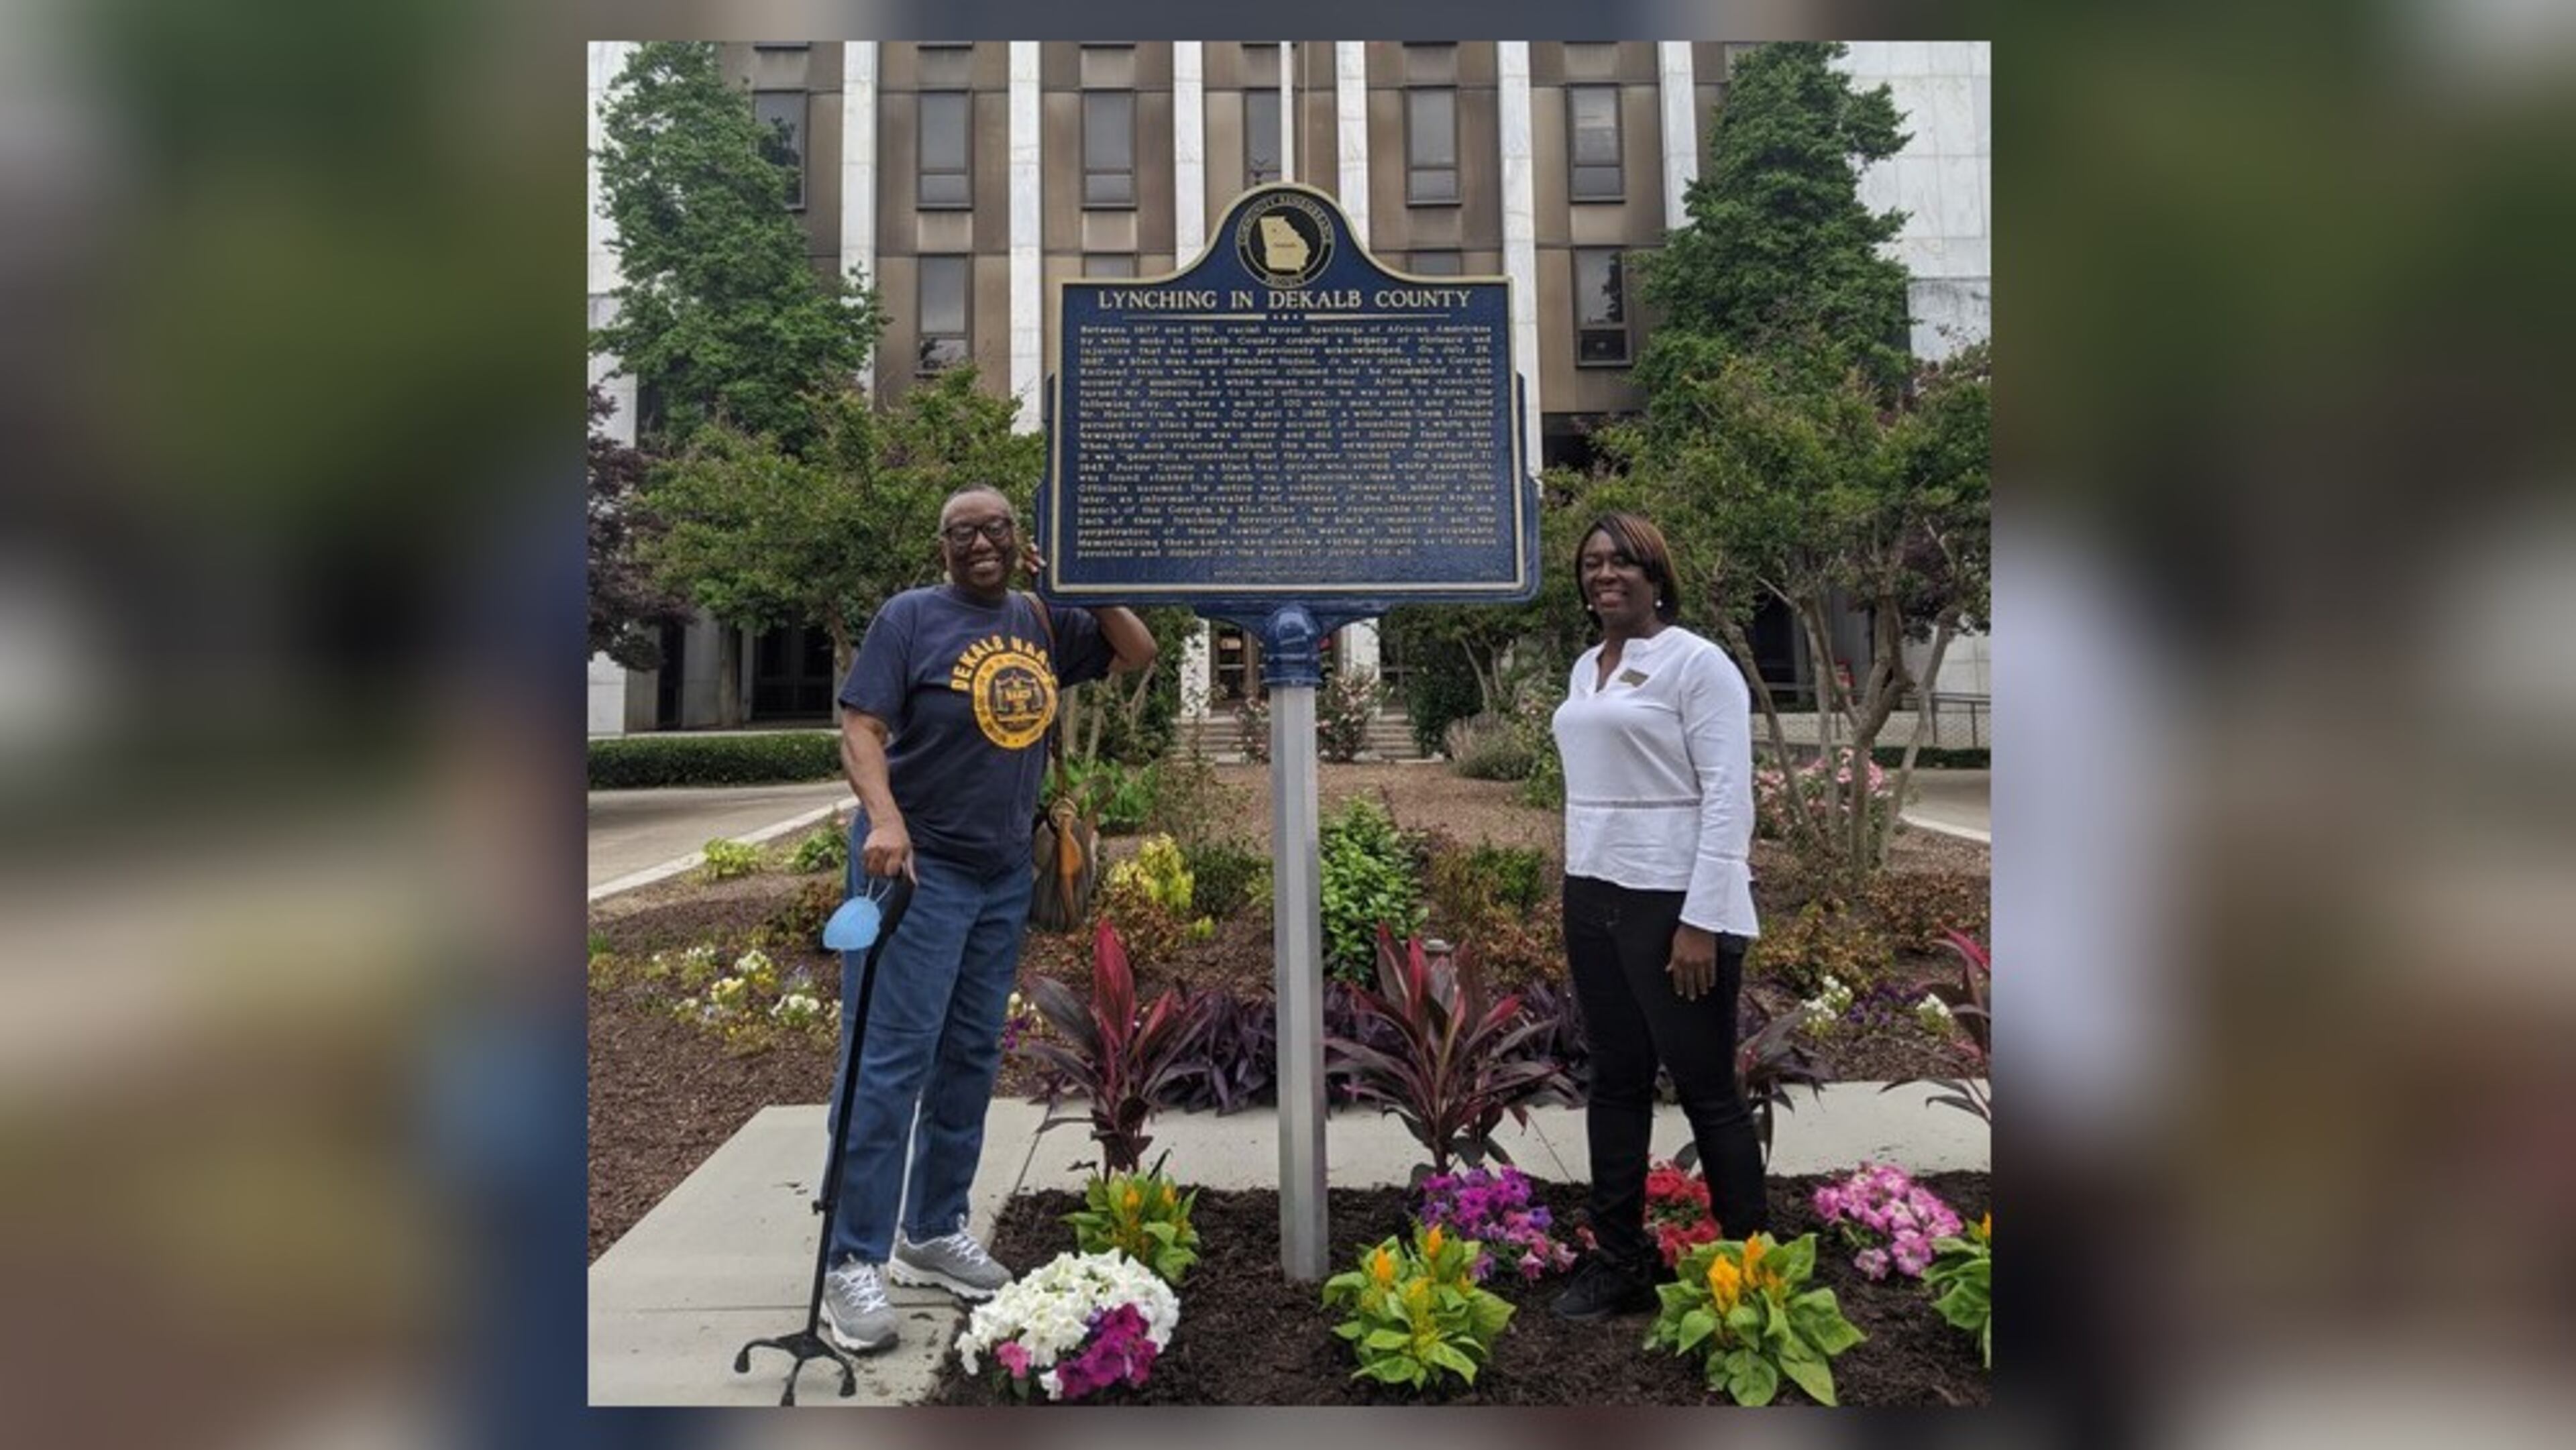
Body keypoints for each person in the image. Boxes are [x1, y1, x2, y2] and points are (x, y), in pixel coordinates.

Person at [820, 486, 1157, 1354]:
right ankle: (850, 1255)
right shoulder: (911, 619)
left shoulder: (1041, 618)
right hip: (917, 868)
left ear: (1018, 539)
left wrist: (1081, 584)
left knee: (970, 1054)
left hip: (1002, 873)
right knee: (890, 1059)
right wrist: (885, 820)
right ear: (942, 546)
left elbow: (1139, 649)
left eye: (997, 528)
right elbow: (861, 729)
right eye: (963, 531)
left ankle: (932, 1228)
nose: (982, 542)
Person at [1547, 512, 1768, 1321]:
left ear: (1656, 573)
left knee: (1709, 1089)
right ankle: (1620, 1260)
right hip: (1592, 893)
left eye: (1622, 563)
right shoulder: (1586, 668)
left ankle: (1751, 1274)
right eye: (1592, 563)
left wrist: (1703, 917)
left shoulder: (1697, 664)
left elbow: (1727, 796)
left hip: (1671, 903)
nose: (1604, 575)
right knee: (1616, 1081)